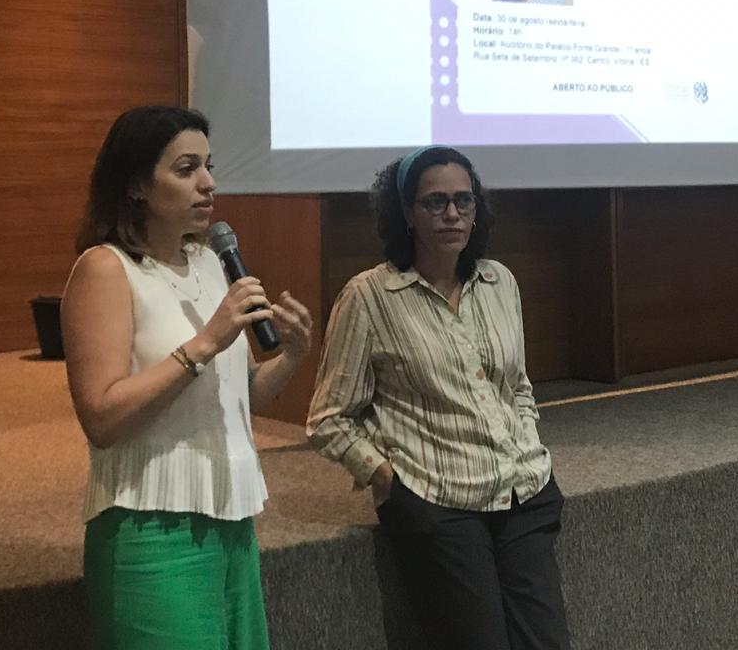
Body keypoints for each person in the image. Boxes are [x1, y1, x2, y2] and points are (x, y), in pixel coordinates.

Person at [62, 105, 313, 650]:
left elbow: (242, 394)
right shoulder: (106, 269)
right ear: (136, 186)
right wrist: (204, 342)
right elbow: (101, 417)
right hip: (149, 528)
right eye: (186, 169)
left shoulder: (209, 262)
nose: (208, 183)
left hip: (232, 520)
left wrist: (292, 357)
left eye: (209, 166)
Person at [306, 146, 570, 650]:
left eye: (463, 201)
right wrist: (389, 481)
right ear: (406, 212)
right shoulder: (369, 296)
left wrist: (527, 440)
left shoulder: (499, 281)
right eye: (435, 202)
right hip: (439, 503)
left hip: (524, 491)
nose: (452, 213)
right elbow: (329, 418)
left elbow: (517, 386)